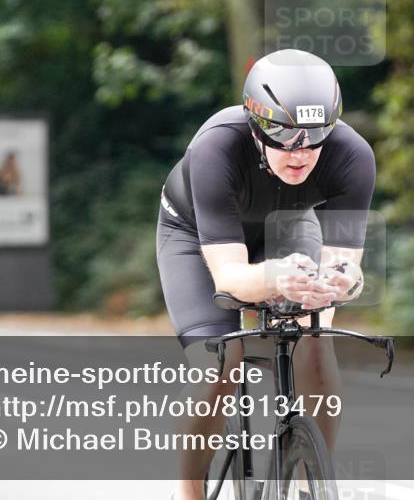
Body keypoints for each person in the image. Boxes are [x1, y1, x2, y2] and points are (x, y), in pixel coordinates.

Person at [157, 49, 376, 499]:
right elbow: (230, 277)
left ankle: (311, 479)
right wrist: (275, 278)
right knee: (219, 365)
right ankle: (188, 491)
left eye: (316, 138)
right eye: (285, 137)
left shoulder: (353, 155)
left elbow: (347, 264)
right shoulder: (216, 146)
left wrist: (341, 283)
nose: (302, 154)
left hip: (287, 224)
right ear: (256, 126)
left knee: (316, 342)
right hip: (196, 233)